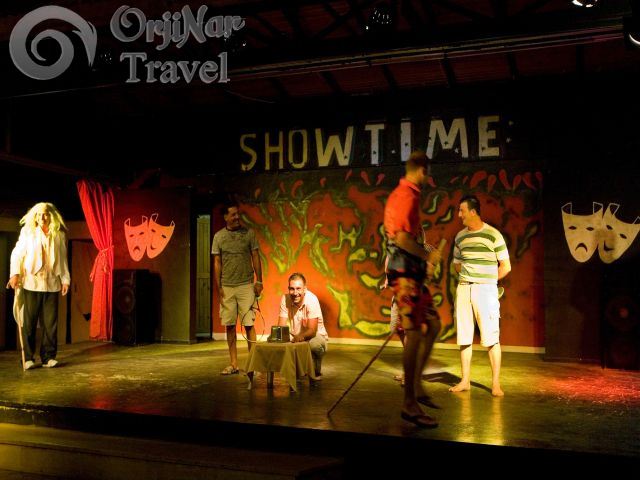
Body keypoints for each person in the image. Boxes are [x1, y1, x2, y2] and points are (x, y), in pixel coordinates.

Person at [384, 151, 442, 428]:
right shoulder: (406, 196)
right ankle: (409, 402)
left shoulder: (405, 194)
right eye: (427, 173)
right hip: (405, 274)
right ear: (421, 169)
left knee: (433, 324)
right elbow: (403, 239)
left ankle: (416, 385)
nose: (427, 178)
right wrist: (428, 255)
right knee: (414, 332)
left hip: (412, 273)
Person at [449, 195, 511, 397]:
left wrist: (488, 281)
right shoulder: (460, 237)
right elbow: (457, 264)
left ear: (473, 212)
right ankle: (465, 380)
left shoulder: (493, 235)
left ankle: (496, 384)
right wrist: (470, 277)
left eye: (462, 211)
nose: (459, 215)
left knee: (491, 337)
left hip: (485, 290)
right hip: (464, 288)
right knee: (464, 336)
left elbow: (506, 266)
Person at [6, 202, 70, 370]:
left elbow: (63, 259)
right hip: (32, 283)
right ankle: (27, 358)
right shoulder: (28, 233)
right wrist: (14, 274)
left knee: (51, 324)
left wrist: (65, 280)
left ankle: (48, 357)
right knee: (29, 322)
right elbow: (17, 253)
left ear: (51, 215)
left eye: (46, 214)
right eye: (39, 214)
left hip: (51, 284)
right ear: (35, 216)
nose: (42, 217)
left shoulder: (58, 235)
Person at [212, 200, 263, 375]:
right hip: (227, 286)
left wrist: (259, 281)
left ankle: (253, 364)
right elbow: (217, 262)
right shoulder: (219, 237)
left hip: (246, 285)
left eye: (237, 214)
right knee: (230, 325)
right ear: (225, 217)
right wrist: (219, 287)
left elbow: (255, 256)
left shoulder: (249, 233)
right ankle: (234, 364)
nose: (236, 217)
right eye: (233, 214)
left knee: (249, 324)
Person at [277, 273, 328, 378]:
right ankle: (298, 366)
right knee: (279, 339)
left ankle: (315, 367)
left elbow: (312, 331)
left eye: (298, 289)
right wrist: (279, 338)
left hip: (316, 337)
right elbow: (281, 327)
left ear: (305, 289)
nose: (295, 293)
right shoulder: (285, 298)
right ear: (288, 289)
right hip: (296, 336)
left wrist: (299, 337)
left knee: (313, 345)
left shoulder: (312, 299)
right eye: (292, 289)